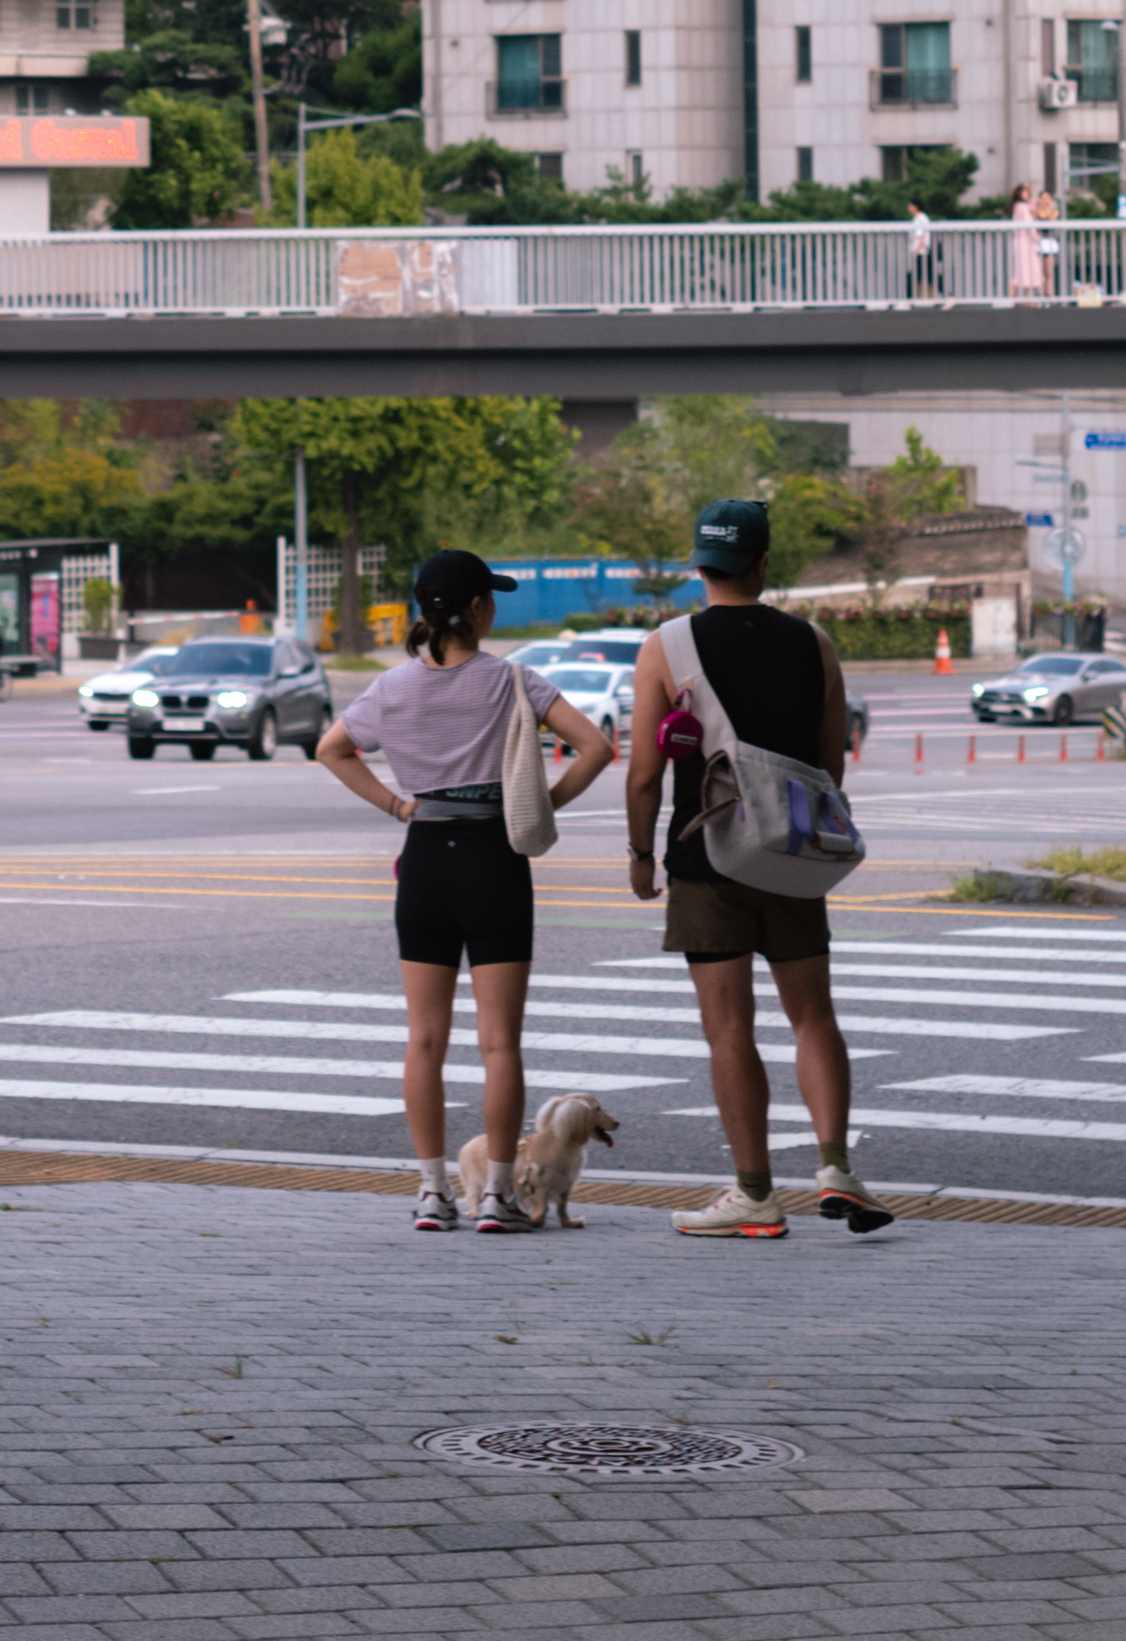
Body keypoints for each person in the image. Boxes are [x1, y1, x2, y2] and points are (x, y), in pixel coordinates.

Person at [316, 550, 612, 1231]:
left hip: (424, 859)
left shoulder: (391, 687)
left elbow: (332, 748)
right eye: (491, 598)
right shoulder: (514, 681)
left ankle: (431, 1191)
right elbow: (596, 747)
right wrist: (540, 805)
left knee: (424, 1038)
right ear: (478, 608)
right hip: (494, 857)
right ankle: (498, 1196)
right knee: (499, 1041)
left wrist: (397, 806)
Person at [630, 494, 888, 1236]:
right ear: (763, 563)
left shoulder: (665, 647)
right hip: (793, 854)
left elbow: (644, 773)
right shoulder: (815, 643)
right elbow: (830, 765)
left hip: (706, 854)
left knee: (728, 1030)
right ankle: (835, 1167)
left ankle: (754, 1194)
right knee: (813, 1016)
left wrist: (641, 853)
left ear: (699, 565)